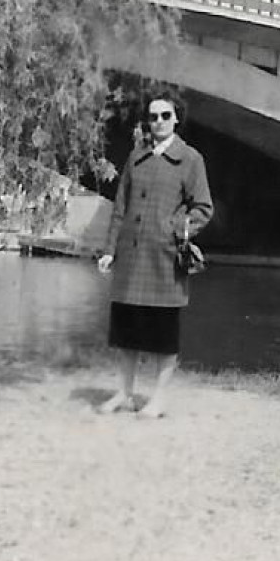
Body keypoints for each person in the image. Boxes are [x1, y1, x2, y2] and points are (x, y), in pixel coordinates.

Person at [95, 94, 213, 418]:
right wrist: (109, 250)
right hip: (131, 261)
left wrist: (175, 229)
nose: (158, 122)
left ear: (177, 119)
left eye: (164, 115)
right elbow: (119, 209)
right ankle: (125, 393)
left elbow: (203, 208)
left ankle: (158, 399)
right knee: (126, 331)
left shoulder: (190, 159)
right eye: (152, 116)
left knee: (163, 334)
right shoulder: (136, 158)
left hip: (164, 260)